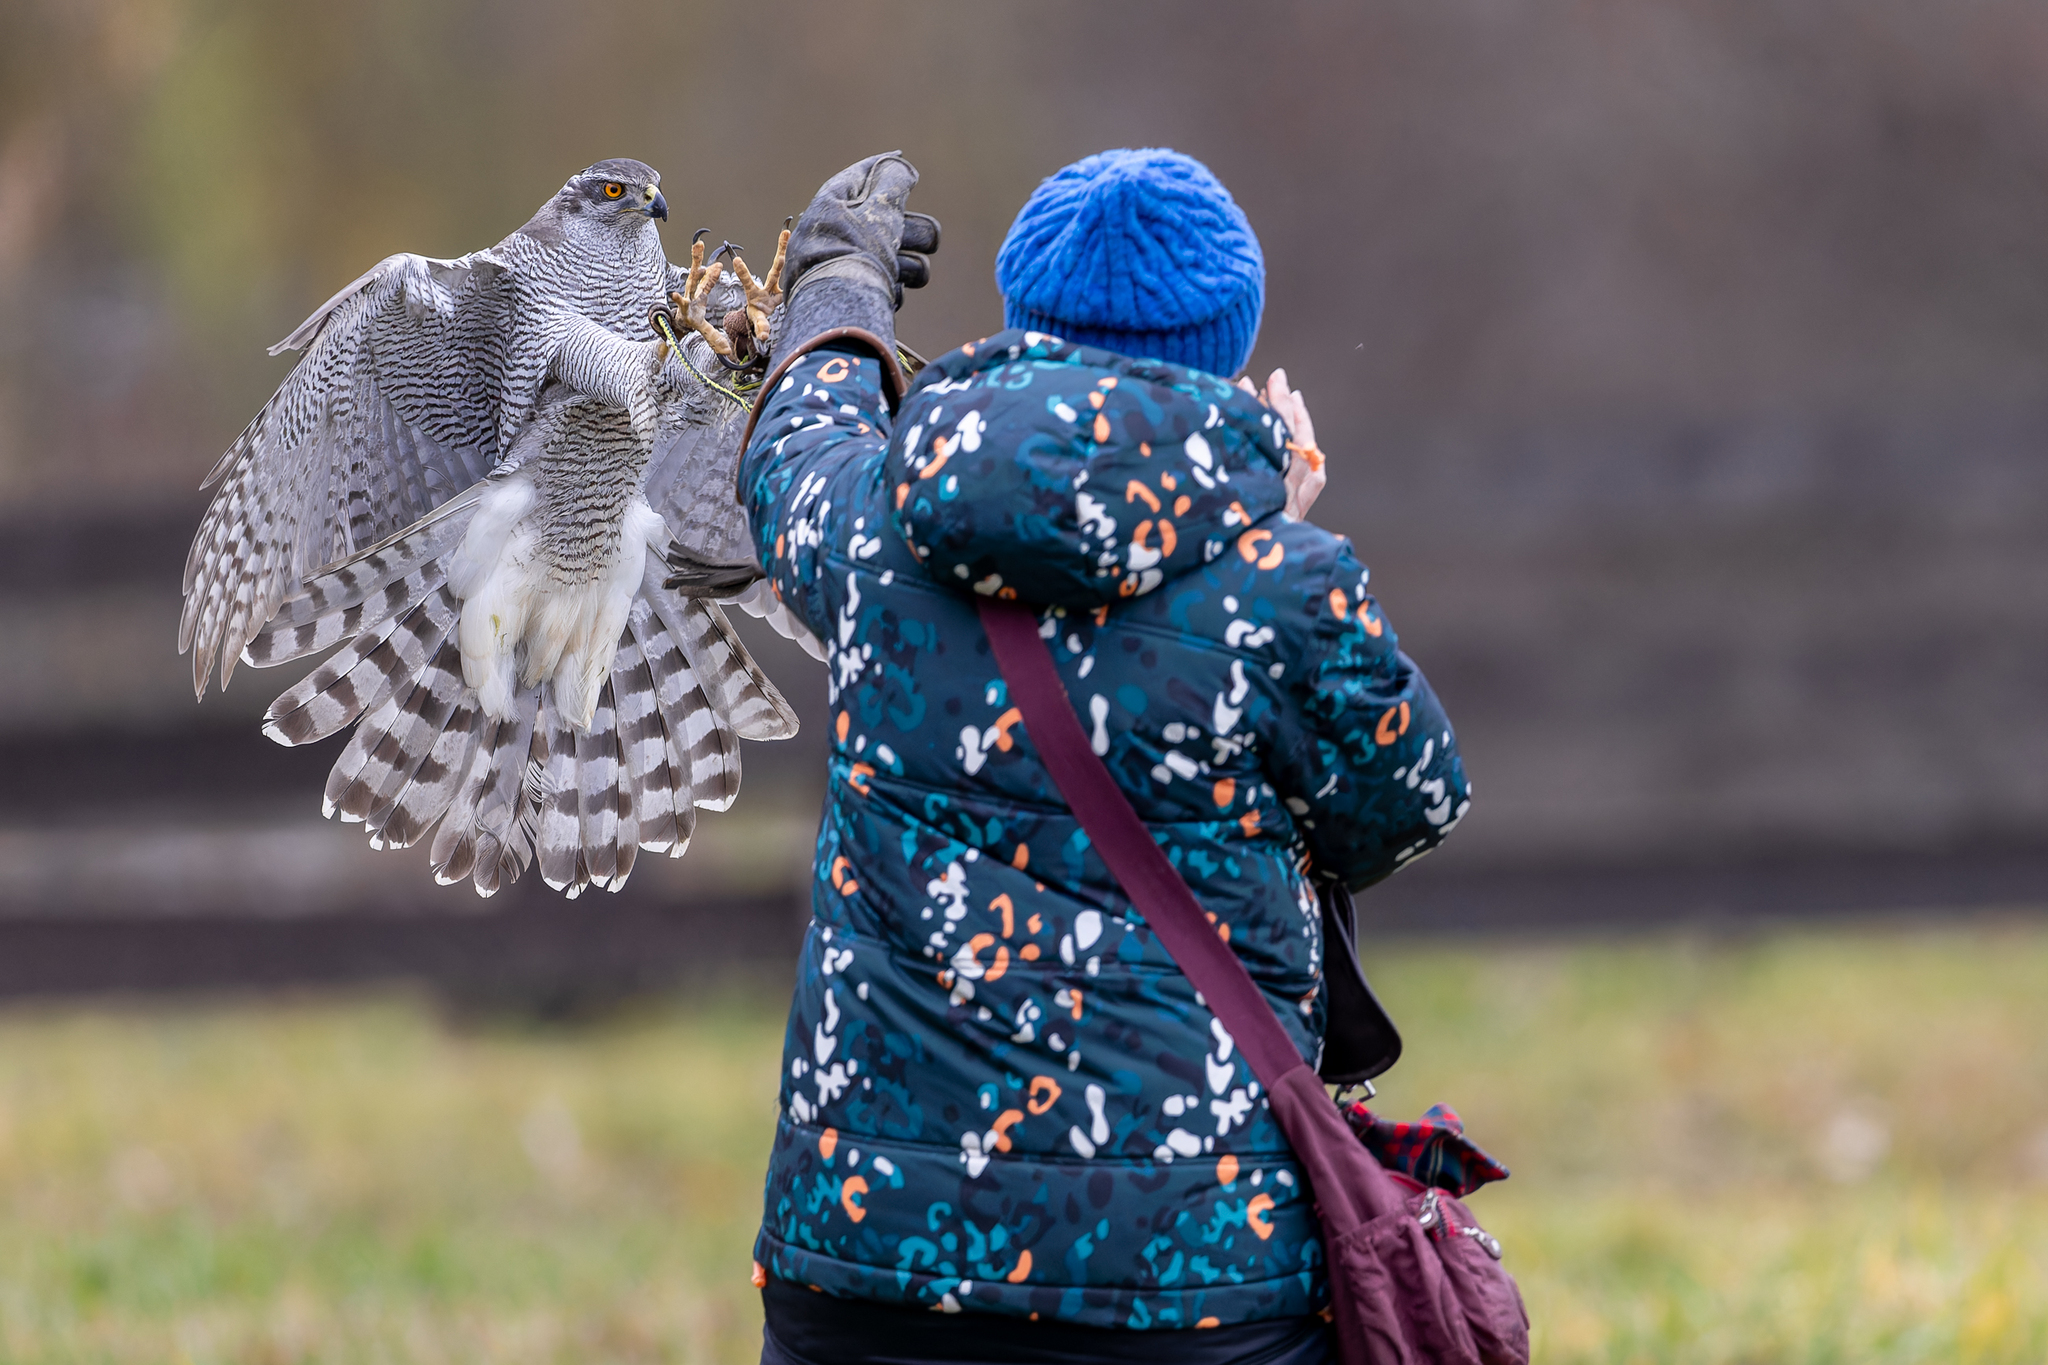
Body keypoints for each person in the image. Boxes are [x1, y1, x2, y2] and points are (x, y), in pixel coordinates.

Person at [732, 148, 1471, 1365]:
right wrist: (1275, 525)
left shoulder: (877, 528)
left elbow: (790, 446)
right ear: (1225, 346)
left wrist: (836, 284)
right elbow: (1411, 805)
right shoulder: (1276, 588)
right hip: (1187, 1286)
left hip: (862, 1272)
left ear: (1025, 315)